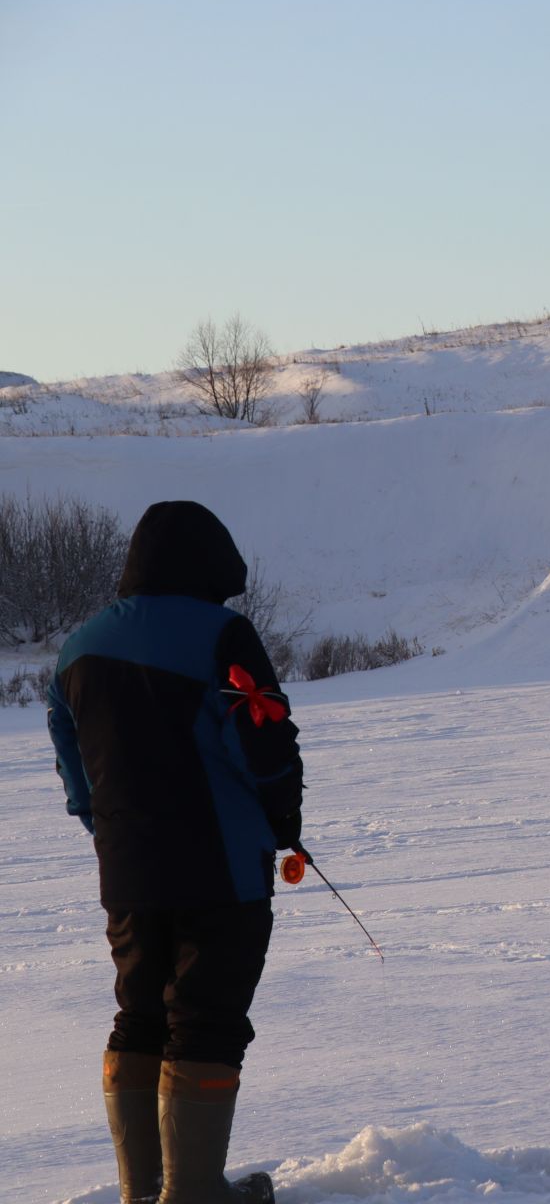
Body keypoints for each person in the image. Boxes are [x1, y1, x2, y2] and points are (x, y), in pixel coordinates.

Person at [47, 501, 301, 1203]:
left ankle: (146, 1189)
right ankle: (192, 1195)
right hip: (220, 867)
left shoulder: (78, 645)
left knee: (140, 1015)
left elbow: (68, 746)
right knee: (206, 1019)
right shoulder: (223, 634)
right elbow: (265, 741)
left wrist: (101, 822)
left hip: (127, 869)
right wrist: (284, 816)